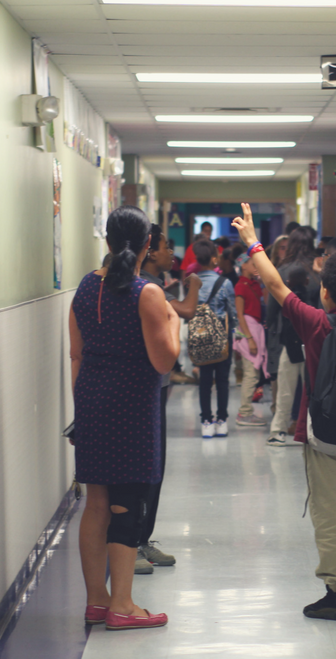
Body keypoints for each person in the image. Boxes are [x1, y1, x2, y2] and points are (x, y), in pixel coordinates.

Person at [233, 203, 336, 621]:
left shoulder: (316, 324)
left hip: (325, 435)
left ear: (325, 292)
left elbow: (276, 285)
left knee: (329, 515)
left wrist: (252, 241)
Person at [69, 206, 180, 630]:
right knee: (127, 504)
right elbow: (163, 360)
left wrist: (81, 410)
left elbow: (76, 355)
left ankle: (97, 601)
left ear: (108, 241)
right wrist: (172, 320)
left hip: (92, 403)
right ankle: (123, 606)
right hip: (132, 407)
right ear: (146, 244)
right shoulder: (145, 292)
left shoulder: (83, 288)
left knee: (96, 503)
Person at [132, 224, 200, 574]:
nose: (171, 253)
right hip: (143, 389)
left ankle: (142, 540)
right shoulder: (146, 286)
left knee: (154, 469)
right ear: (149, 250)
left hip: (155, 388)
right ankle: (133, 544)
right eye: (164, 247)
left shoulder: (154, 284)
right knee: (143, 470)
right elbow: (182, 315)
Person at [266, 230, 319, 446]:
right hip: (315, 335)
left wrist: (270, 331)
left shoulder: (283, 270)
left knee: (286, 387)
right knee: (315, 386)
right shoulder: (318, 271)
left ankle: (278, 430)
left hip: (289, 336)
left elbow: (272, 308)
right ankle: (314, 429)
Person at [193, 238, 237, 438]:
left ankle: (206, 421)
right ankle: (222, 420)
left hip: (201, 336)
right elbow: (232, 313)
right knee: (222, 380)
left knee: (204, 380)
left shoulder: (193, 281)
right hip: (221, 336)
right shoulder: (225, 283)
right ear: (213, 259)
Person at [233, 252, 268, 426]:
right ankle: (244, 412)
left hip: (256, 329)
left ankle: (246, 411)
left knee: (253, 374)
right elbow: (240, 315)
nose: (255, 266)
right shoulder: (241, 286)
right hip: (249, 331)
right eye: (251, 263)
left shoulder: (255, 284)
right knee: (250, 375)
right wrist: (249, 338)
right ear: (243, 265)